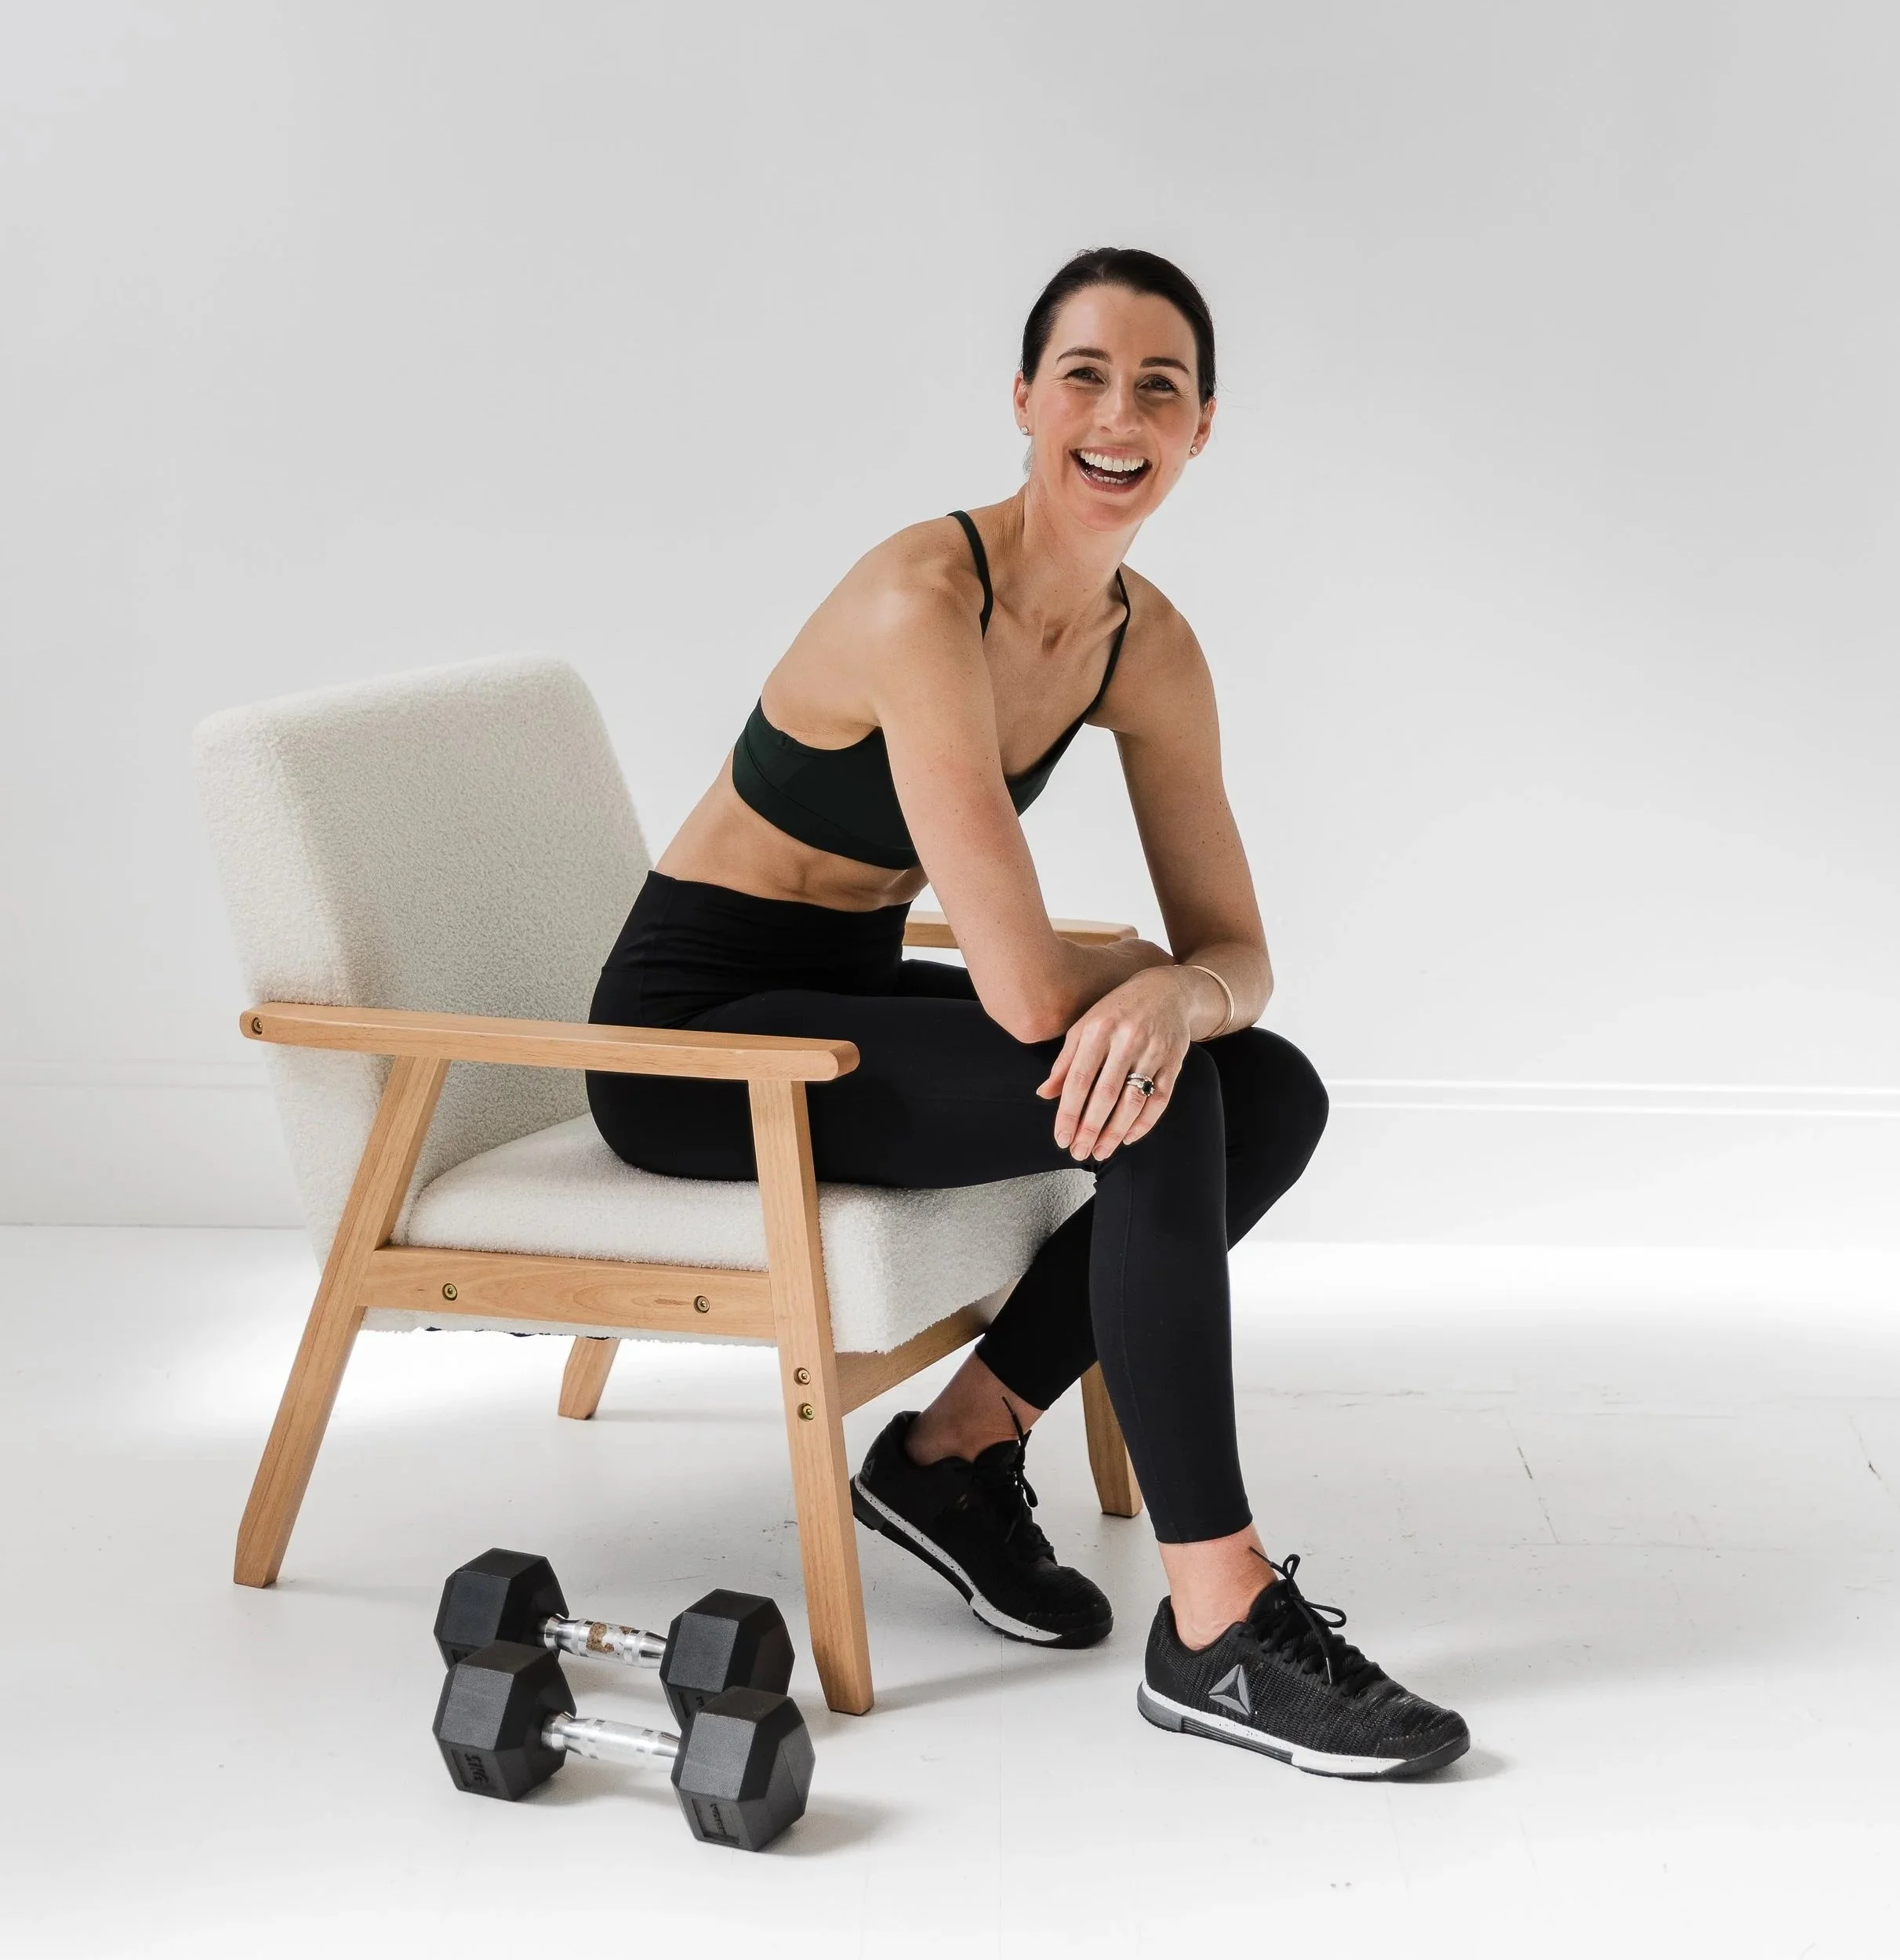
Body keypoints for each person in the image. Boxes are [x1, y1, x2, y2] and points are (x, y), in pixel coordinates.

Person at [587, 248, 1468, 1779]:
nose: (1116, 414)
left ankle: (953, 1448)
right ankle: (1215, 1614)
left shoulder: (1147, 647)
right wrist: (1151, 999)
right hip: (698, 1035)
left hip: (842, 995)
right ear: (1019, 400)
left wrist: (1178, 991)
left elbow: (1237, 953)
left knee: (1267, 1088)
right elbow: (1014, 982)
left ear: (1200, 428)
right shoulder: (918, 595)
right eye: (1082, 374)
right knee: (1163, 1086)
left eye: (1158, 385)